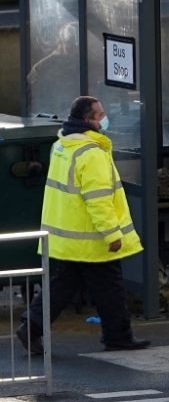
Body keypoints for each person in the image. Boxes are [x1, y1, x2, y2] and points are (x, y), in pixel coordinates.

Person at [16, 96, 150, 355]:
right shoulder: (91, 152)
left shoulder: (62, 145)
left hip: (68, 234)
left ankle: (31, 326)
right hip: (92, 235)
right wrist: (112, 233)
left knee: (64, 284)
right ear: (87, 121)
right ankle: (118, 336)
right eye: (100, 115)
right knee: (110, 285)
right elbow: (98, 199)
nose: (105, 118)